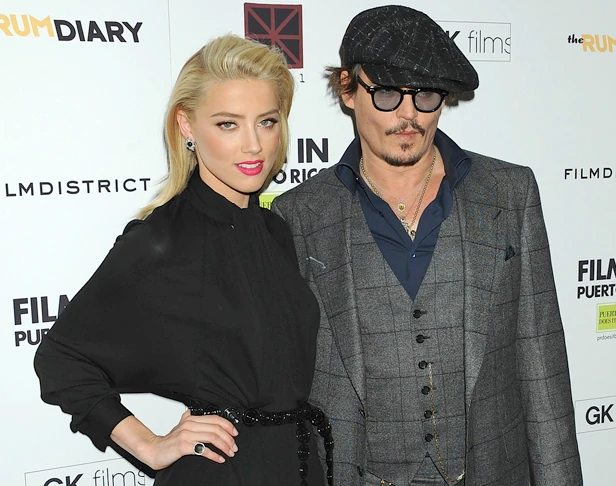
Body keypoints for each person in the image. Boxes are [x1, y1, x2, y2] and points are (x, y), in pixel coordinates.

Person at [272, 5, 582, 486]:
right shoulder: (299, 214)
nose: (408, 115)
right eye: (387, 93)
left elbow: (542, 369)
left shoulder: (509, 193)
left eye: (425, 94)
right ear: (348, 89)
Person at [34, 34, 333, 486]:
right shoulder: (162, 239)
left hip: (298, 466)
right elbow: (61, 358)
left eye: (267, 122)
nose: (253, 145)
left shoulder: (276, 230)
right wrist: (148, 445)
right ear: (187, 126)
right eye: (228, 124)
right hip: (222, 473)